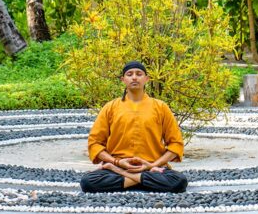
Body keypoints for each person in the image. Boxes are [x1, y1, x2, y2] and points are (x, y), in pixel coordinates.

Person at [80, 61, 188, 193]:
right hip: (119, 165)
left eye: (139, 74)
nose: (134, 77)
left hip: (152, 168)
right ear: (123, 79)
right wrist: (117, 163)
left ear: (146, 79)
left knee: (180, 182)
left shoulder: (160, 107)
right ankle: (142, 181)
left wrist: (153, 164)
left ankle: (128, 180)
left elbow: (176, 143)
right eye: (129, 74)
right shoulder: (110, 107)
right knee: (87, 182)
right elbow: (95, 143)